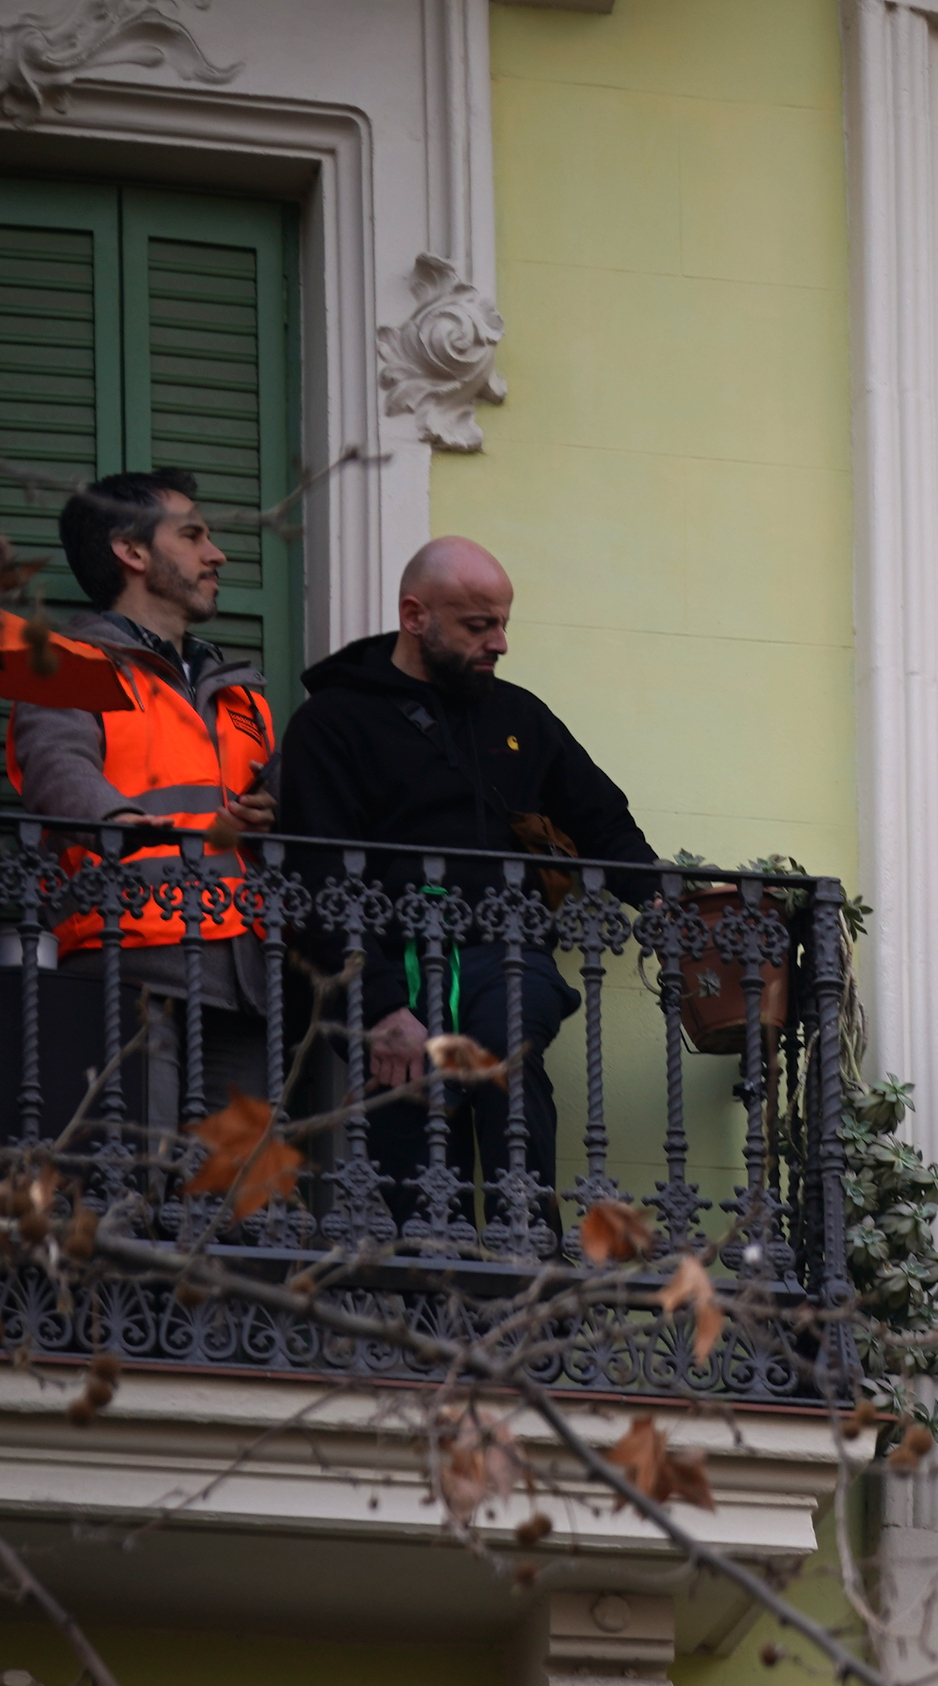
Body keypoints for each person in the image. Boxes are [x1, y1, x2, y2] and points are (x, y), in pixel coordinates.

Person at [271, 535, 657, 1198]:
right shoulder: (333, 723)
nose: (500, 643)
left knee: (509, 1069)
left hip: (505, 953)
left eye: (504, 624)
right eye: (480, 626)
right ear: (416, 616)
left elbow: (604, 824)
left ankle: (526, 1255)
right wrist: (381, 1005)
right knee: (406, 1130)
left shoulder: (520, 718)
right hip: (387, 961)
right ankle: (414, 1286)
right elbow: (318, 877)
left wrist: (665, 903)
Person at [1, 468, 280, 1142]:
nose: (216, 554)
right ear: (131, 552)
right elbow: (55, 762)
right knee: (136, 1185)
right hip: (128, 962)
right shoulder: (70, 661)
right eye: (193, 535)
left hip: (247, 980)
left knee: (239, 1208)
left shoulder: (244, 694)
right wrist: (118, 822)